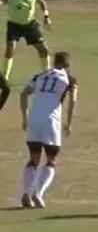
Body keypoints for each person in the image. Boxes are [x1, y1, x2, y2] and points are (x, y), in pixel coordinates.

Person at [18, 51, 78, 209]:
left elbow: (24, 94)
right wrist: (69, 123)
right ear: (67, 65)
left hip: (34, 120)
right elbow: (73, 100)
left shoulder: (40, 76)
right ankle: (38, 194)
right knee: (51, 160)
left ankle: (26, 193)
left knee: (33, 159)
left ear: (53, 63)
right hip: (51, 122)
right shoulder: (70, 80)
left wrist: (25, 118)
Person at [2, 0, 52, 86]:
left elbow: (42, 2)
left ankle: (46, 75)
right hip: (14, 25)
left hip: (30, 25)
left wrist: (46, 16)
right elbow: (2, 0)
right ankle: (5, 78)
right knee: (10, 49)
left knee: (44, 49)